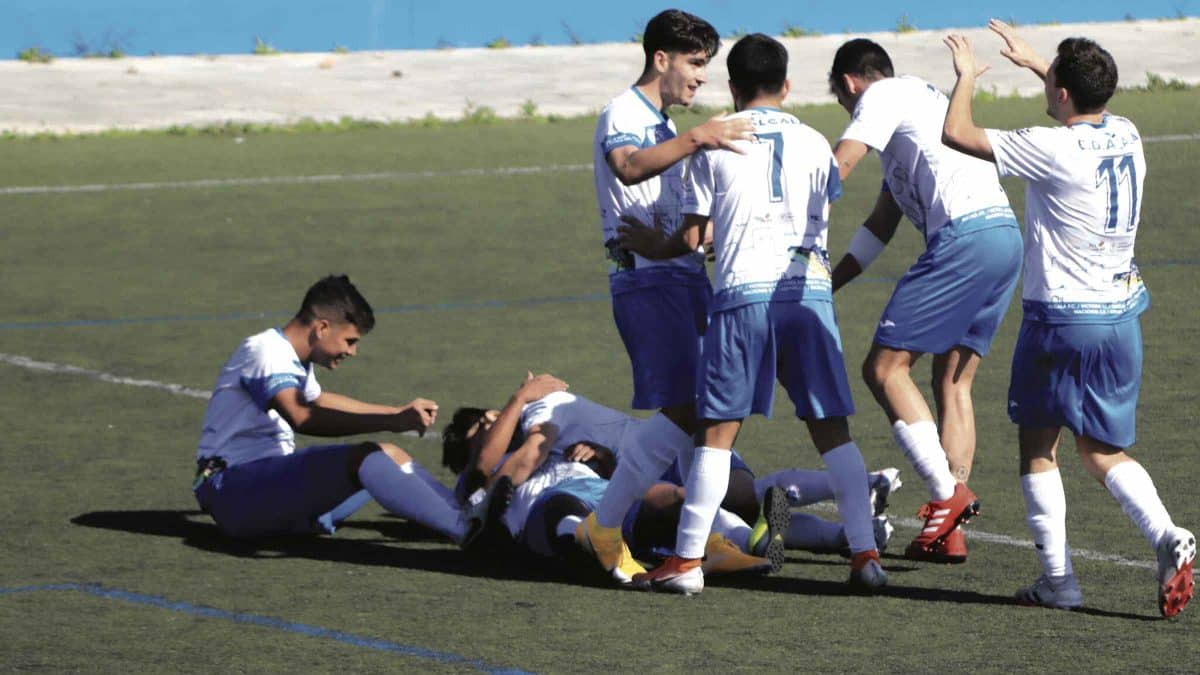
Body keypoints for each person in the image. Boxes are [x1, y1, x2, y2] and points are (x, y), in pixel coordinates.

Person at [940, 20, 1195, 616]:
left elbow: (956, 133)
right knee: (1102, 450)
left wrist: (965, 78)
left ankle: (1059, 581)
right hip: (1120, 318)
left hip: (1062, 320)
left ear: (1060, 94)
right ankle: (1164, 534)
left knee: (1039, 445)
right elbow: (1085, 106)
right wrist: (1040, 65)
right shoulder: (1128, 132)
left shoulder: (1049, 146)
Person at [622, 33, 885, 594]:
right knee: (832, 429)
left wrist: (655, 239)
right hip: (808, 292)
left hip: (744, 295)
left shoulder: (715, 141)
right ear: (786, 86)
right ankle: (865, 554)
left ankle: (687, 561)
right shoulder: (816, 142)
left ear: (733, 88)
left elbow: (694, 237)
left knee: (716, 434)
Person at [826, 37, 1024, 563]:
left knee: (884, 368)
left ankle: (947, 495)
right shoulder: (918, 112)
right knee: (952, 381)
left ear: (849, 85)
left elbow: (840, 164)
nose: (852, 112)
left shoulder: (883, 95)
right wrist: (829, 281)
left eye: (846, 105)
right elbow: (879, 227)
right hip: (1004, 237)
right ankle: (948, 532)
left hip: (965, 238)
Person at [579, 8, 756, 586]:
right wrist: (700, 136)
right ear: (662, 58)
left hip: (683, 279)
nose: (702, 77)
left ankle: (697, 542)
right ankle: (605, 526)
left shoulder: (663, 123)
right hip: (644, 282)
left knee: (710, 413)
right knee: (688, 409)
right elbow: (628, 169)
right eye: (695, 63)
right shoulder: (623, 113)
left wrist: (700, 237)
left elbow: (676, 210)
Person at [442, 384, 898, 575]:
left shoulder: (542, 412)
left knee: (740, 495)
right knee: (728, 505)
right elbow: (491, 467)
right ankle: (846, 533)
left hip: (662, 454)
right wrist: (601, 458)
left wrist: (520, 398)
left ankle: (858, 487)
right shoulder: (540, 450)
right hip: (649, 463)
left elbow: (503, 462)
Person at [193, 275, 487, 544]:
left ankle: (467, 514)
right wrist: (391, 420)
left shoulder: (291, 358)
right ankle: (468, 532)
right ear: (321, 327)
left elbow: (319, 400)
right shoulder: (265, 351)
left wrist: (396, 413)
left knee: (387, 453)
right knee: (364, 458)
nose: (352, 351)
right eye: (350, 340)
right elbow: (301, 416)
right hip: (233, 489)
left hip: (264, 490)